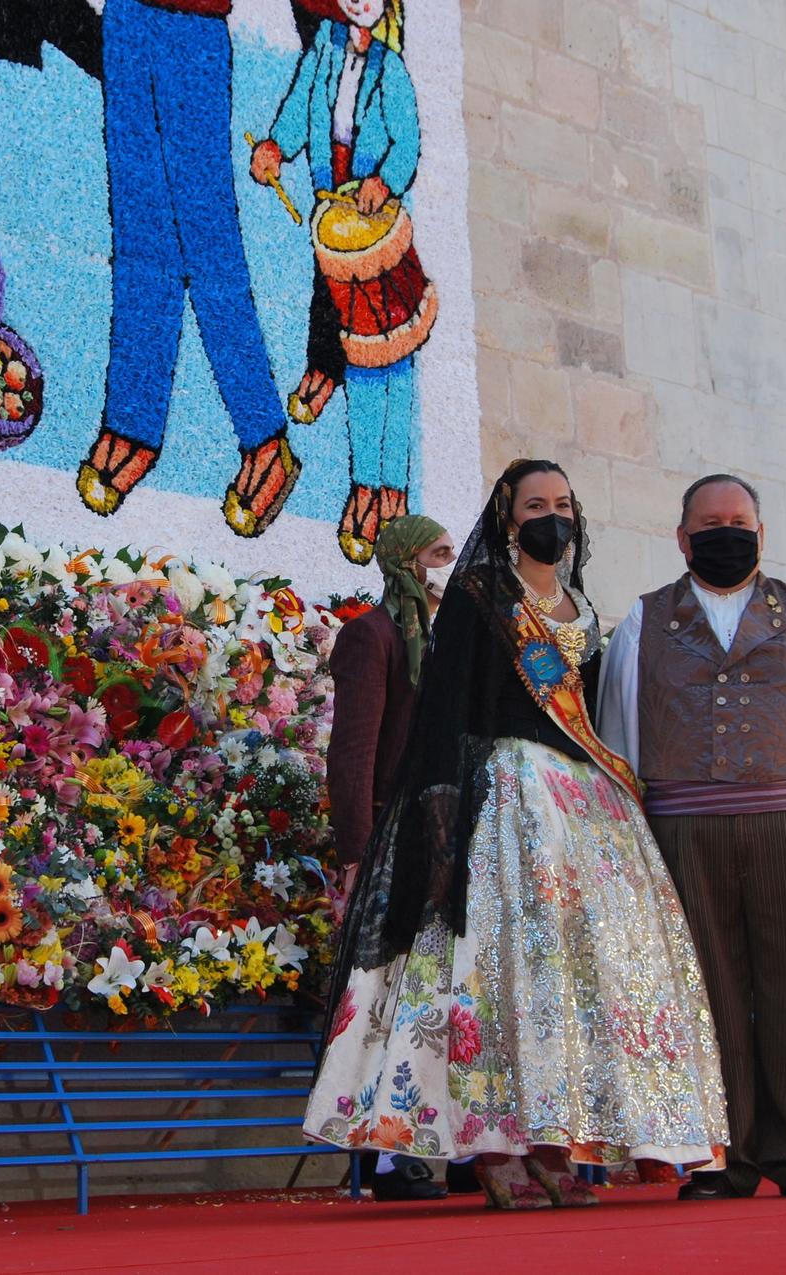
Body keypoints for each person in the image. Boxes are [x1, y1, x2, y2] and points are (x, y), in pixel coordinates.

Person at [306, 460, 728, 1210]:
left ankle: (550, 1140)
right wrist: (438, 818)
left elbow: (591, 712)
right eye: (537, 504)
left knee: (564, 983)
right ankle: (492, 1145)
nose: (553, 516)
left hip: (585, 812)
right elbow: (445, 710)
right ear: (508, 515)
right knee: (494, 978)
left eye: (564, 503)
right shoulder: (478, 598)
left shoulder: (577, 603)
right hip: (504, 801)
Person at [597, 474, 786, 1200]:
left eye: (738, 519)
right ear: (682, 536)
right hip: (684, 830)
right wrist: (629, 845)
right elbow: (618, 741)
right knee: (711, 995)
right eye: (710, 521)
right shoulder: (642, 620)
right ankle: (724, 1157)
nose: (725, 530)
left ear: (760, 532)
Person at [81, 0, 301, 538]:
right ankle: (133, 420)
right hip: (125, 1)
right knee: (139, 230)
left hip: (195, 16)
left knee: (208, 242)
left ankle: (264, 437)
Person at [253, 0, 428, 564]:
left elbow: (406, 140)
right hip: (334, 219)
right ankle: (363, 485)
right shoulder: (323, 52)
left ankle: (393, 489)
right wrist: (276, 146)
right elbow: (301, 109)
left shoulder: (392, 69)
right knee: (356, 356)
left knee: (394, 362)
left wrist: (386, 180)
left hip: (373, 225)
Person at [326, 514, 456, 1200]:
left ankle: (455, 1140)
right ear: (407, 559)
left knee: (442, 995)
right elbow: (352, 749)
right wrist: (357, 846)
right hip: (393, 836)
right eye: (437, 553)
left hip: (444, 835)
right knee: (388, 999)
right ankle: (385, 1155)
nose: (448, 564)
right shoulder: (372, 635)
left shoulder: (445, 639)